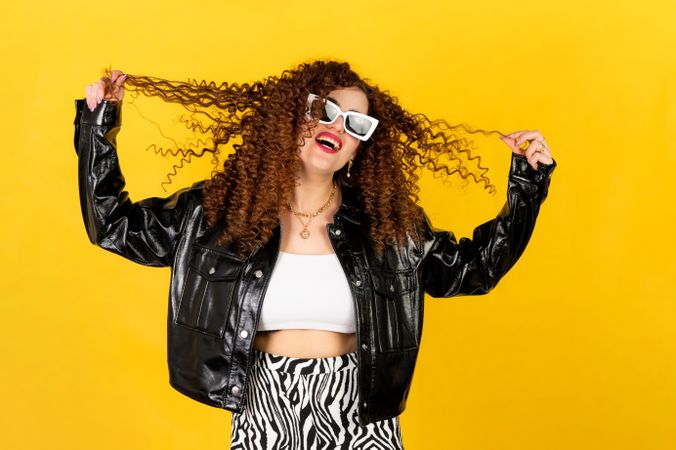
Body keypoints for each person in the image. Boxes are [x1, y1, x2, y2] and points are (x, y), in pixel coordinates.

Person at [76, 60, 556, 449]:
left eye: (356, 123)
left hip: (360, 415)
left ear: (360, 149)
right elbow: (114, 227)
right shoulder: (216, 213)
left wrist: (527, 185)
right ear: (291, 117)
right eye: (324, 110)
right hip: (263, 409)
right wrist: (98, 128)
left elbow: (474, 270)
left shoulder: (390, 226)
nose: (338, 127)